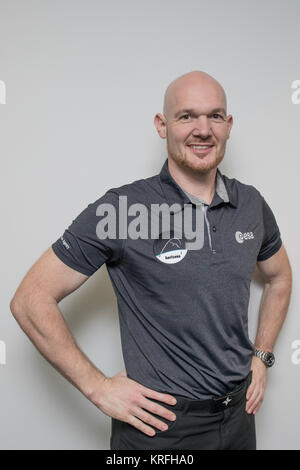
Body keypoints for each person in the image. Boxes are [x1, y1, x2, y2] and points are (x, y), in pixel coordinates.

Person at [10, 71, 292, 450]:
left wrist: (262, 354)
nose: (203, 129)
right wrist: (98, 388)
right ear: (163, 126)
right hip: (161, 429)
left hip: (239, 417)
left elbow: (279, 278)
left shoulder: (252, 205)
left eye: (215, 116)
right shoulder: (123, 210)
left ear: (228, 126)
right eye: (187, 116)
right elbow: (31, 299)